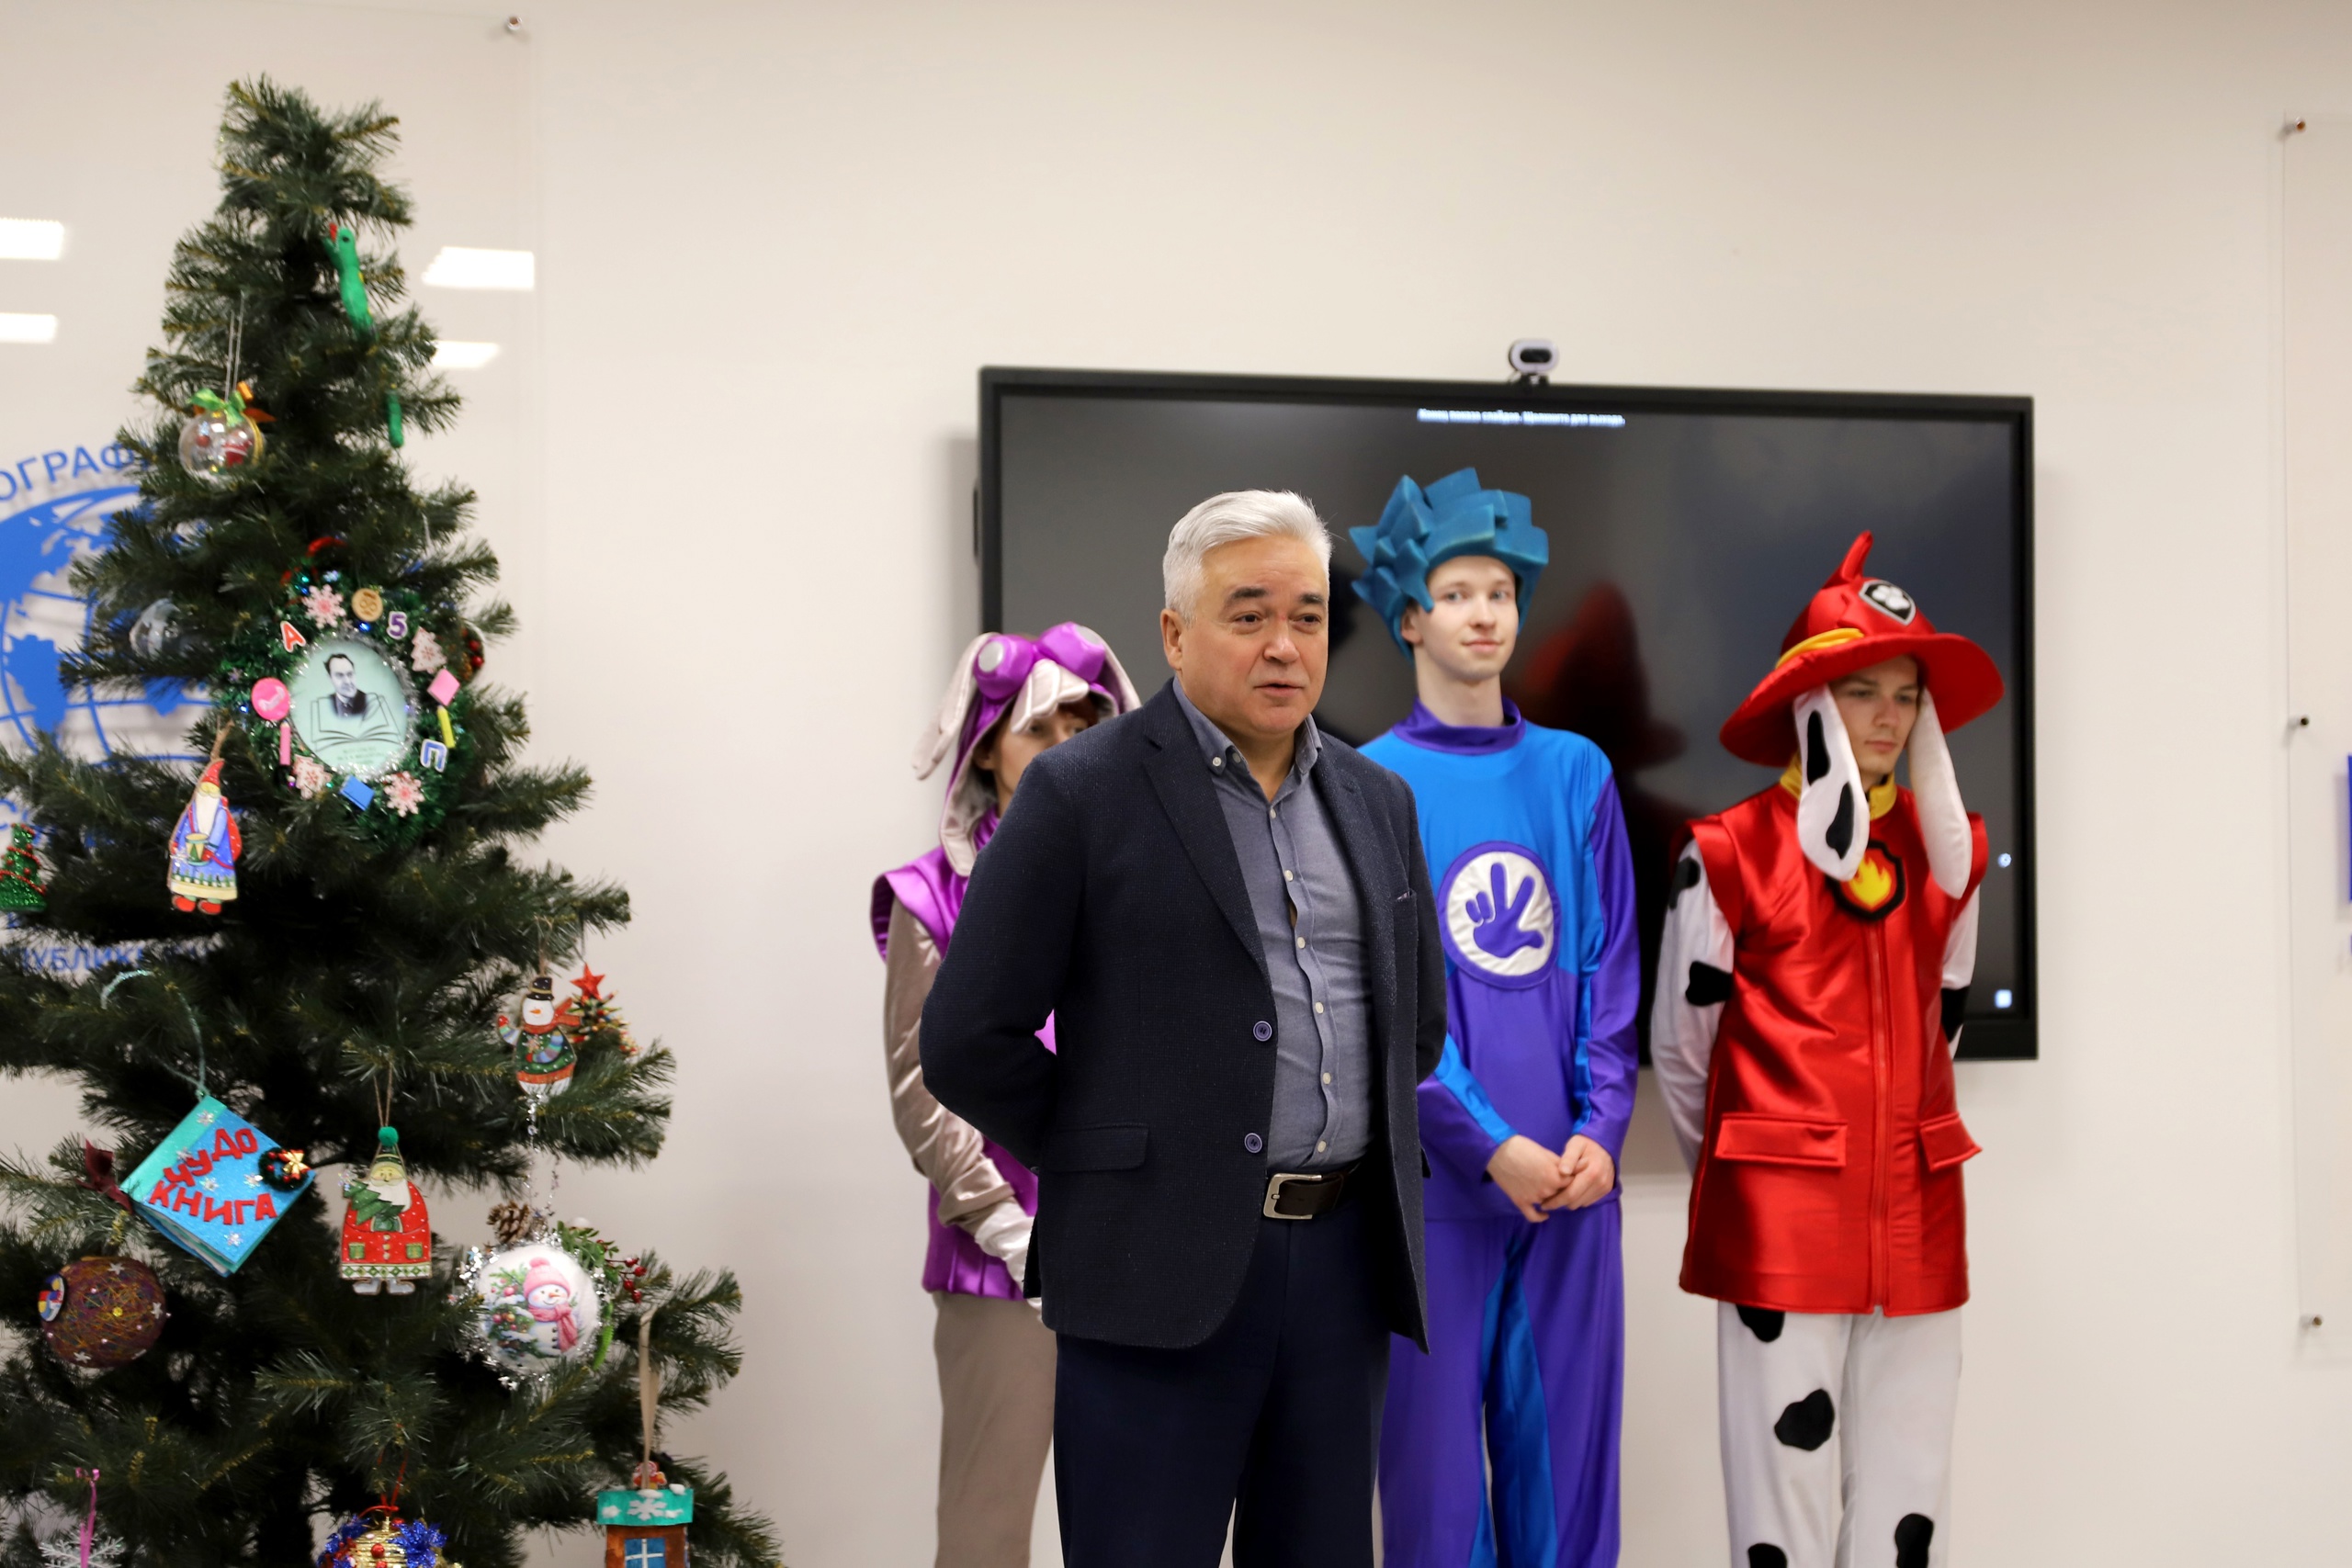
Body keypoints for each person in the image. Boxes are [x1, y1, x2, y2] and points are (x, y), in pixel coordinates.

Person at [921, 491, 1447, 1568]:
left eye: (1307, 617)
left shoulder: (1378, 799)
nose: (1284, 645)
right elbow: (968, 1037)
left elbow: (1416, 1027)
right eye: (1248, 615)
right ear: (1173, 633)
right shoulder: (1079, 791)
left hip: (1342, 1272)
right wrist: (1108, 1158)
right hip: (1148, 1271)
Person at [1649, 534, 2003, 1568]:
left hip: (1919, 1213)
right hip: (1781, 1225)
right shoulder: (1727, 852)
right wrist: (1750, 1172)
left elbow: (1944, 1019)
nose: (1888, 716)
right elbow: (1684, 1051)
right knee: (1783, 1507)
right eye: (1861, 692)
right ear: (1813, 703)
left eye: (1905, 695)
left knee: (1908, 1499)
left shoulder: (1952, 855)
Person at [1350, 469, 1639, 1568]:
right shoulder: (1367, 784)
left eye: (1501, 593)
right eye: (1457, 593)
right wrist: (1486, 1143)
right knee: (1432, 1500)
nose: (1483, 614)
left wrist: (1600, 1132)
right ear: (1409, 617)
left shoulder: (1576, 774)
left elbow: (1610, 968)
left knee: (1567, 1485)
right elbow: (1384, 1006)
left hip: (1573, 1187)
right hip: (1435, 1195)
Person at [871, 621, 1141, 1568]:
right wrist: (1012, 1232)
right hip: (1000, 1263)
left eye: (1082, 726)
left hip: (1139, 1252)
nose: (1066, 748)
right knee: (987, 1526)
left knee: (1148, 1525)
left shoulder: (1145, 880)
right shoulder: (932, 895)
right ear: (987, 747)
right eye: (1040, 729)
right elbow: (921, 1087)